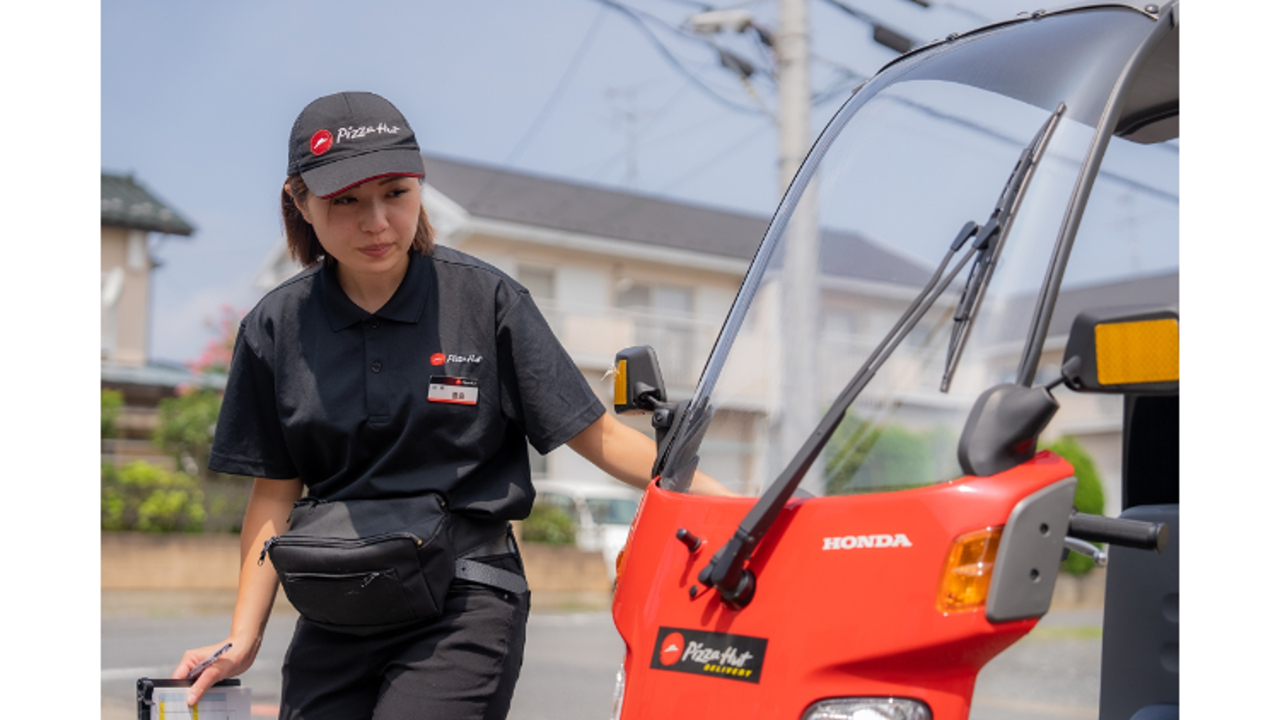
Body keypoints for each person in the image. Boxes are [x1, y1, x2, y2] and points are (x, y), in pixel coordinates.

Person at [170, 91, 734, 720]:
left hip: (464, 595)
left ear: (419, 189)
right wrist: (242, 638)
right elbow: (275, 494)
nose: (376, 221)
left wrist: (741, 504)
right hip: (338, 601)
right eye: (345, 201)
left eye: (395, 193)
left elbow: (595, 434)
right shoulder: (275, 327)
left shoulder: (486, 300)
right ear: (299, 202)